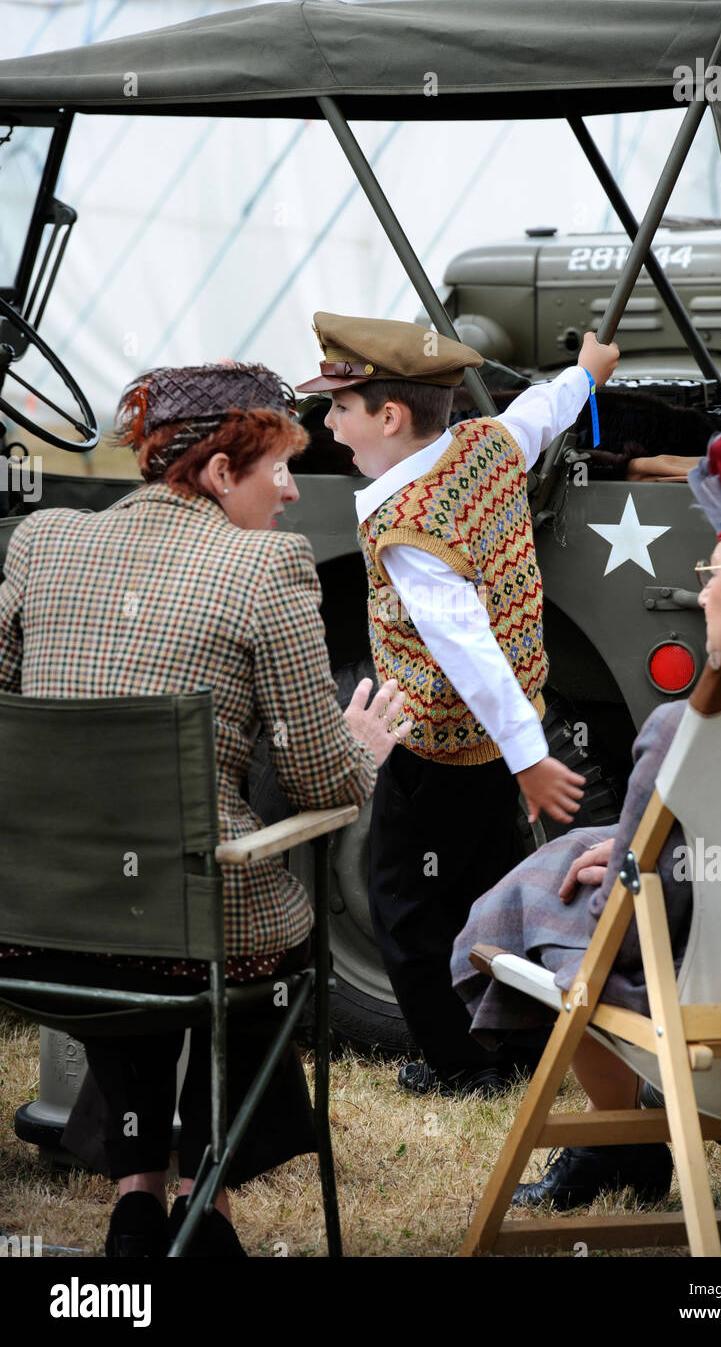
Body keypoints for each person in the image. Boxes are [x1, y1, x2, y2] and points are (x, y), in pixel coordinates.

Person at [0, 362, 411, 1256]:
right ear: (221, 473)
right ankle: (204, 1185)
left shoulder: (41, 541)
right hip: (196, 940)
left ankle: (140, 1184)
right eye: (279, 469)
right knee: (227, 922)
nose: (296, 492)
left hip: (39, 929)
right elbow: (318, 785)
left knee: (134, 910)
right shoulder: (264, 565)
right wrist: (366, 753)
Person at [452, 420, 721, 1208]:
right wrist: (666, 854)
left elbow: (620, 938)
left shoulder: (689, 731)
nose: (703, 589)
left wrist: (650, 867)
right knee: (593, 849)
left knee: (560, 888)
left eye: (715, 571)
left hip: (718, 1043)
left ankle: (628, 1144)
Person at [295, 314, 620, 1097]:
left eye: (340, 408)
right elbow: (536, 415)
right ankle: (511, 1046)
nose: (329, 424)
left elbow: (466, 649)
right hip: (490, 750)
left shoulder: (407, 526)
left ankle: (460, 1064)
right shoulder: (484, 448)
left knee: (403, 906)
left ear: (389, 417)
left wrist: (533, 758)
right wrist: (587, 373)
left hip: (436, 746)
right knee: (491, 889)